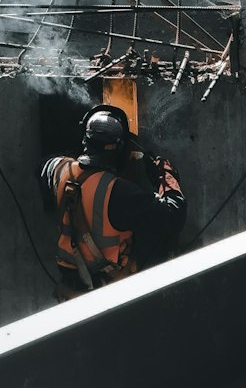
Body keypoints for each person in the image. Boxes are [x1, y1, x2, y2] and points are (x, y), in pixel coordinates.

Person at [38, 104, 185, 300]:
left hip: (71, 288)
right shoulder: (118, 192)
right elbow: (173, 215)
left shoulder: (59, 169)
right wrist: (165, 175)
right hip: (109, 292)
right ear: (118, 150)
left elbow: (43, 165)